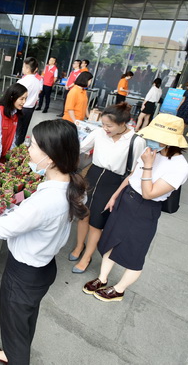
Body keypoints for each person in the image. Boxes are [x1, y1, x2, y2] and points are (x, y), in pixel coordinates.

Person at [0, 119, 88, 364]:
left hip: (24, 275)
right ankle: (11, 352)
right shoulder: (71, 185)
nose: (28, 149)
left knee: (15, 326)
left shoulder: (46, 202)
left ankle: (14, 357)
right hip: (43, 267)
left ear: (50, 157)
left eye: (33, 145)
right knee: (23, 321)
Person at [84, 113, 188, 302]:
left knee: (134, 250)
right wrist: (115, 196)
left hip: (145, 207)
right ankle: (102, 277)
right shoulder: (152, 151)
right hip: (126, 198)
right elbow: (132, 176)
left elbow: (149, 193)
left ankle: (119, 289)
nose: (151, 140)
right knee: (110, 239)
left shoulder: (179, 166)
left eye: (157, 138)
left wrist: (148, 165)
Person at [70, 103, 146, 274]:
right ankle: (79, 246)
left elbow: (134, 171)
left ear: (123, 123)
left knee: (96, 224)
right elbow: (80, 148)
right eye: (103, 124)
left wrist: (116, 195)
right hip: (92, 176)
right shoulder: (99, 133)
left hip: (113, 183)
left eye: (109, 126)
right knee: (83, 216)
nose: (105, 128)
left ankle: (86, 257)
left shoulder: (136, 141)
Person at [0, 83, 28, 161]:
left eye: (25, 98)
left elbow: (13, 135)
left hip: (4, 152)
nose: (24, 102)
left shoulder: (15, 113)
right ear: (12, 98)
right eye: (21, 99)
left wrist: (13, 150)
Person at [15, 57, 42, 146]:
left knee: (16, 130)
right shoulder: (37, 81)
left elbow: (16, 96)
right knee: (24, 129)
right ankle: (20, 147)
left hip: (21, 107)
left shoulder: (22, 81)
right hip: (30, 108)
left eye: (23, 67)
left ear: (27, 68)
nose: (22, 69)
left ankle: (14, 147)